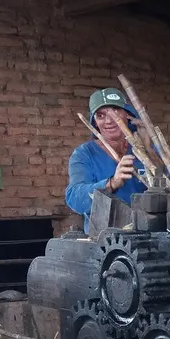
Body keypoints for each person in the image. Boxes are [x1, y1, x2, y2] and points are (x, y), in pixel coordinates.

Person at [66, 88, 148, 232]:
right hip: (104, 242)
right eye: (101, 115)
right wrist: (111, 183)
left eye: (115, 112)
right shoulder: (84, 154)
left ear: (127, 114)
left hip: (150, 235)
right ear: (95, 122)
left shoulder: (147, 149)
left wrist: (149, 150)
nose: (109, 121)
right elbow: (75, 199)